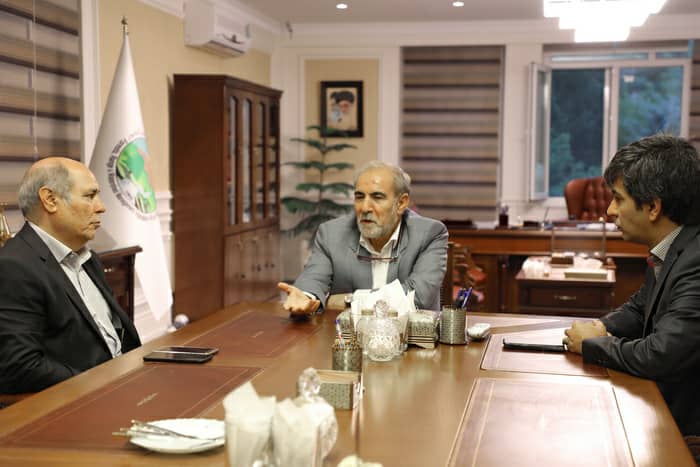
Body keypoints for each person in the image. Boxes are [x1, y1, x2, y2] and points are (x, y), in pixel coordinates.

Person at [562, 135, 700, 447]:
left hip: (688, 436)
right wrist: (601, 326)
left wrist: (592, 344)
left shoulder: (696, 259)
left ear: (652, 207)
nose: (610, 210)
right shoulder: (674, 246)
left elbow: (661, 355)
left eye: (618, 199)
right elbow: (640, 308)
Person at [0, 157, 141, 394]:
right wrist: (100, 383)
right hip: (85, 399)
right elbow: (20, 366)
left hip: (127, 383)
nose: (101, 207)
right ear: (50, 200)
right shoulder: (14, 266)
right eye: (89, 196)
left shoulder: (88, 258)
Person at [278, 161, 448, 316]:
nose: (365, 207)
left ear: (401, 203)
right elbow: (313, 279)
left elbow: (417, 298)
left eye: (377, 197)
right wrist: (306, 297)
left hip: (412, 336)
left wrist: (346, 300)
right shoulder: (331, 233)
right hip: (347, 337)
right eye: (359, 197)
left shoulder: (430, 233)